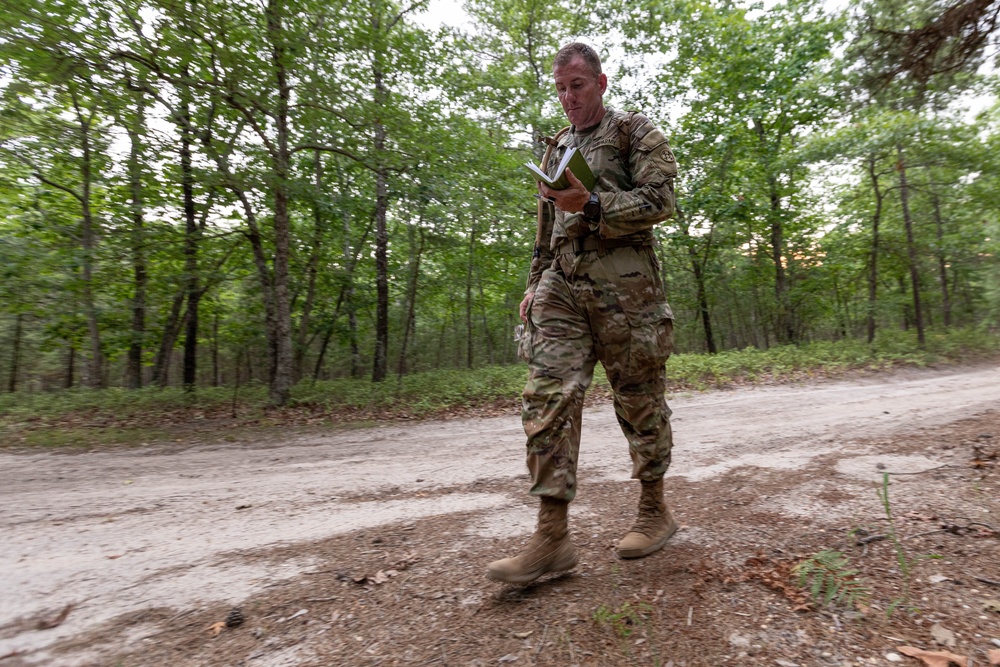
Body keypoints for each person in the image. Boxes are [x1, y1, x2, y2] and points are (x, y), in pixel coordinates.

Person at [487, 42, 679, 584]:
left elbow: (661, 201)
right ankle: (552, 537)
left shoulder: (634, 133)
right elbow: (545, 229)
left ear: (601, 82)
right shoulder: (557, 149)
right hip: (563, 287)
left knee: (639, 399)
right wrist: (534, 284)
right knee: (547, 396)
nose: (569, 97)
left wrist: (593, 205)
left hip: (627, 291)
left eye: (578, 86)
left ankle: (653, 510)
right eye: (561, 88)